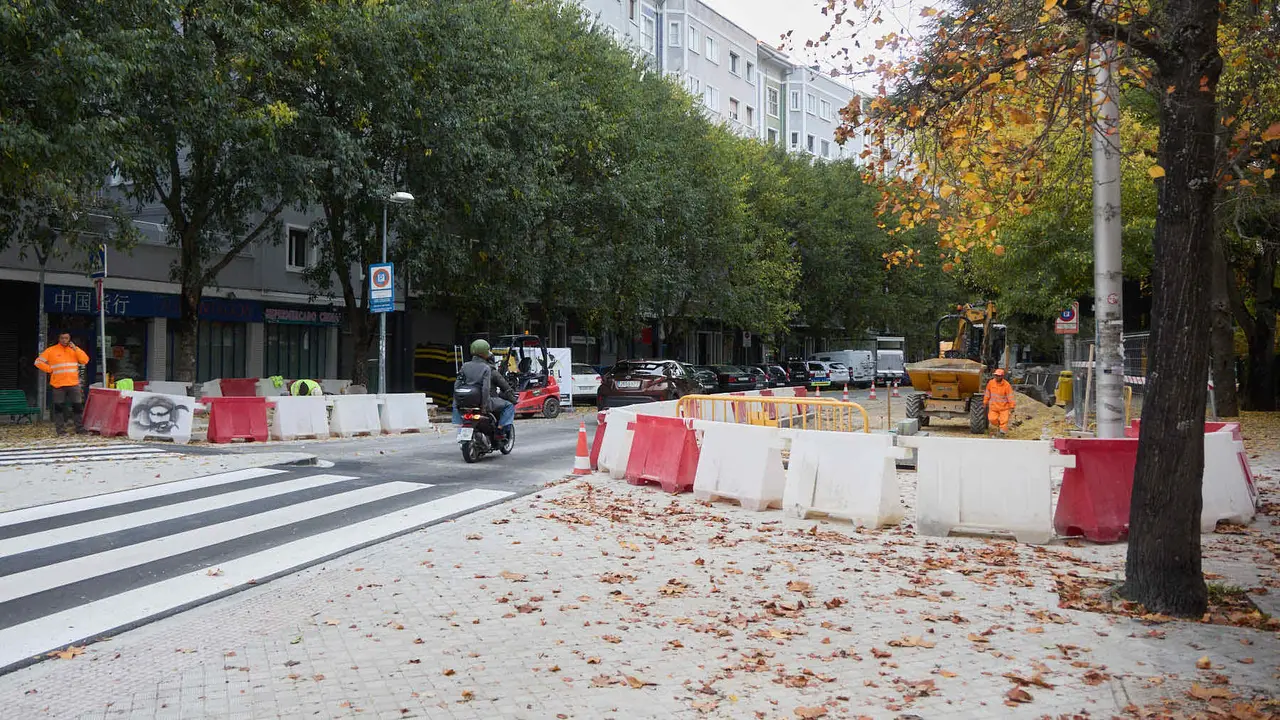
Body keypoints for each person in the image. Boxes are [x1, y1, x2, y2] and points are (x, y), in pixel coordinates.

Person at [456, 339, 516, 437]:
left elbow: (457, 385)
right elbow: (489, 388)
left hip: (466, 403)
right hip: (485, 402)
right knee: (509, 406)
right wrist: (514, 400)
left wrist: (457, 404)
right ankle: (500, 431)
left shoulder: (465, 366)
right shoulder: (489, 370)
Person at [34, 332, 90, 435]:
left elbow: (85, 360)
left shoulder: (74, 350)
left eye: (66, 338)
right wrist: (49, 369)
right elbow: (38, 362)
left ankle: (80, 428)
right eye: (62, 338)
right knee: (59, 408)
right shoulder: (51, 350)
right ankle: (60, 430)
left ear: (70, 339)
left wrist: (76, 348)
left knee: (77, 407)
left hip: (73, 383)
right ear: (59, 339)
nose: (64, 340)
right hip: (58, 384)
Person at [983, 368, 1017, 436]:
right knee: (992, 419)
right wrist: (985, 402)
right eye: (996, 375)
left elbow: (1010, 397)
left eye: (998, 375)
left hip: (1004, 408)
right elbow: (987, 393)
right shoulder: (991, 383)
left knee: (1004, 421)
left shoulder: (1007, 385)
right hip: (993, 407)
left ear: (1002, 376)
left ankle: (1002, 433)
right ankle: (1000, 426)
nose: (997, 377)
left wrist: (1012, 406)